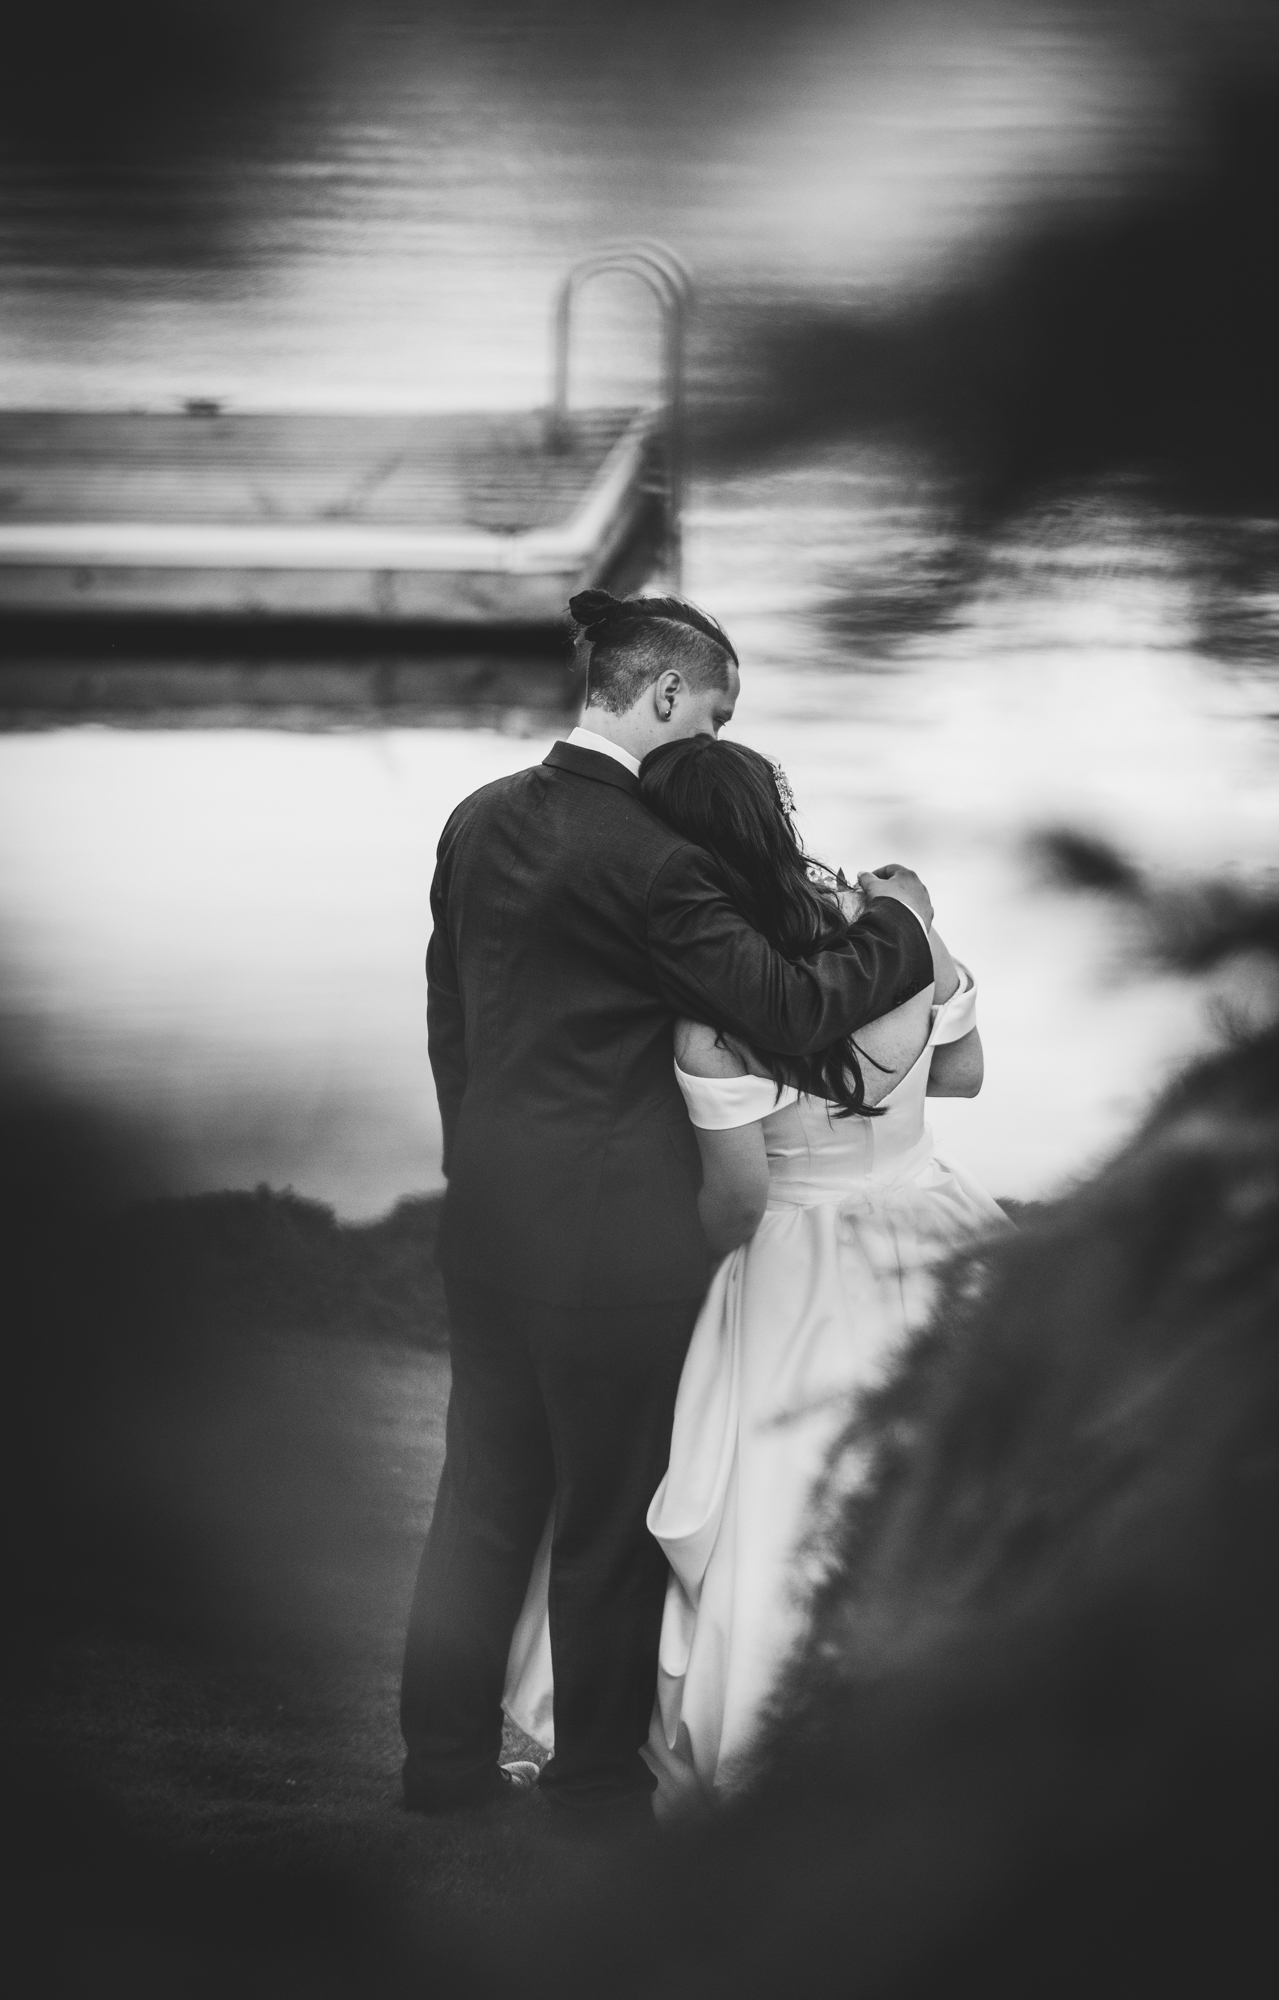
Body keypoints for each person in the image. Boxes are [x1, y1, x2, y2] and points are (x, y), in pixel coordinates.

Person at [400, 589, 936, 1831]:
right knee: (609, 1509)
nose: (716, 732)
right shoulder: (660, 861)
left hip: (487, 1214)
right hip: (613, 1245)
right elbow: (793, 1010)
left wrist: (470, 1156)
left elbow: (449, 1015)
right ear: (658, 697)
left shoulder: (476, 819)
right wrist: (907, 928)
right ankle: (592, 1781)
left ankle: (440, 1769)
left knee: (481, 1496)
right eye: (714, 709)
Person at [502, 735, 1010, 1814]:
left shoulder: (714, 1011)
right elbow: (960, 1071)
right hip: (931, 1219)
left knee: (775, 1499)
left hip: (792, 1250)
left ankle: (793, 1724)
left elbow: (733, 1199)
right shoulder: (897, 922)